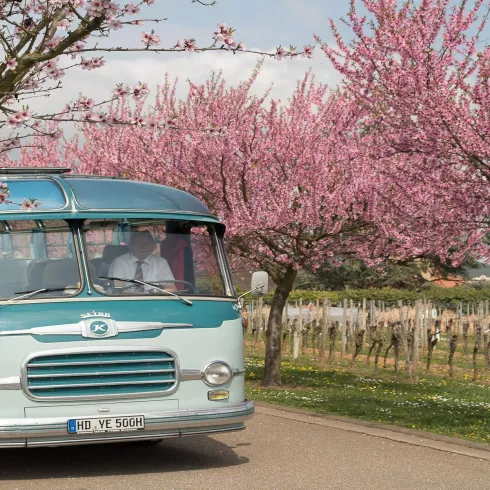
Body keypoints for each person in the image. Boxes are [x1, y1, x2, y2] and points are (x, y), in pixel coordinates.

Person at [108, 230, 176, 292]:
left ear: (153, 246)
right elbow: (118, 290)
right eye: (139, 243)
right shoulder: (120, 262)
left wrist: (155, 293)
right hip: (126, 302)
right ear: (132, 245)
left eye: (148, 244)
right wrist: (140, 297)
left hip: (153, 301)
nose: (144, 247)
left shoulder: (160, 263)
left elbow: (171, 289)